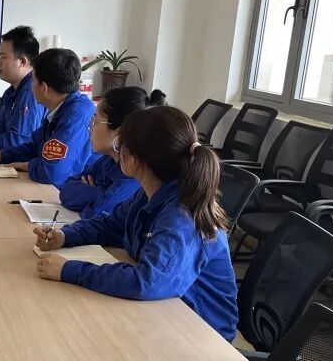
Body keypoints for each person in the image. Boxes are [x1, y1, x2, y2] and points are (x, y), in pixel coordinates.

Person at [33, 106, 238, 342]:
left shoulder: (182, 216)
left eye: (121, 145)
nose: (117, 151)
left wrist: (69, 270)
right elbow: (111, 224)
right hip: (163, 310)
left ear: (137, 160)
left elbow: (147, 281)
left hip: (200, 334)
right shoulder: (150, 192)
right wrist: (66, 236)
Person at [0, 48, 95, 186]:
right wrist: (3, 155)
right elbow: (35, 146)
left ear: (44, 88)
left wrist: (28, 166)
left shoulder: (77, 114)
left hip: (75, 191)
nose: (30, 86)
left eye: (33, 80)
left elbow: (52, 173)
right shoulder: (60, 108)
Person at [58, 87, 166, 218]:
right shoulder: (107, 160)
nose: (89, 127)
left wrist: (93, 192)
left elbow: (96, 216)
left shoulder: (134, 174)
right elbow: (65, 190)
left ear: (119, 132)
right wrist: (100, 193)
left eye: (95, 121)